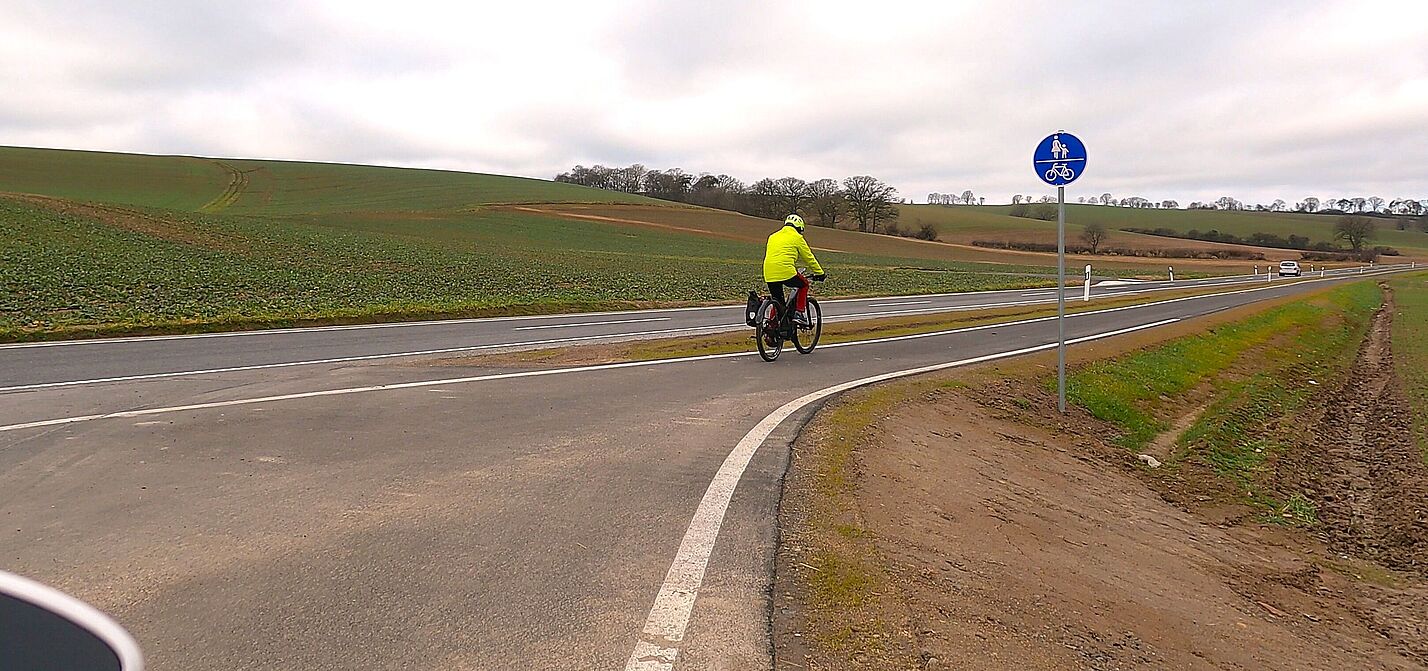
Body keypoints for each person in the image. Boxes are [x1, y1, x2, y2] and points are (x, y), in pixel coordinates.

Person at [763, 214, 826, 326]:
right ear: (799, 228)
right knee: (804, 284)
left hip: (768, 272)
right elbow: (809, 258)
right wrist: (820, 273)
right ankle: (799, 313)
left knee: (778, 301)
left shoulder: (773, 236)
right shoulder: (797, 238)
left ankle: (772, 329)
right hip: (786, 271)